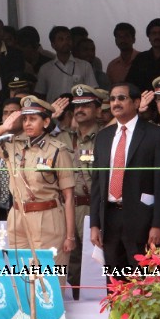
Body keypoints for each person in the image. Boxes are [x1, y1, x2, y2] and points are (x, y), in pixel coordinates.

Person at [0, 96, 75, 319]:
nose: (28, 123)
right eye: (25, 118)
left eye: (33, 118)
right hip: (17, 217)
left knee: (48, 286)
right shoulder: (13, 144)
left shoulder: (58, 149)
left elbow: (68, 195)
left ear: (47, 121)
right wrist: (5, 126)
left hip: (48, 216)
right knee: (22, 286)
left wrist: (70, 234)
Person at [89, 83, 160, 319]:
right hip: (110, 218)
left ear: (137, 102)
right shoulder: (104, 136)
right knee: (116, 288)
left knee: (144, 287)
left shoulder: (156, 135)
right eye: (112, 99)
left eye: (122, 98)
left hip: (143, 221)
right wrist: (94, 223)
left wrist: (159, 223)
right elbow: (97, 182)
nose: (116, 103)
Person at [56, 84, 103, 300]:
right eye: (76, 105)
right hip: (66, 205)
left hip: (92, 205)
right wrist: (51, 117)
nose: (80, 109)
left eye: (86, 105)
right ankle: (72, 301)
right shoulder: (63, 137)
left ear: (98, 110)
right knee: (69, 256)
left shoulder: (105, 136)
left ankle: (98, 305)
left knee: (94, 258)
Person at [34, 26, 97, 102]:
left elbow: (93, 92)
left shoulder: (85, 65)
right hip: (54, 111)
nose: (66, 42)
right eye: (61, 39)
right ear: (53, 45)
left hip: (77, 110)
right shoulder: (45, 69)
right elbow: (40, 95)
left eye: (68, 38)